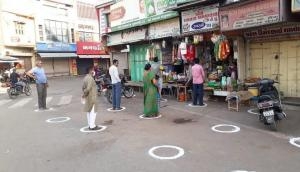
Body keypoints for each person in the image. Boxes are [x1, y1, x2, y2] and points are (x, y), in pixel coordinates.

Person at [82, 66, 100, 130]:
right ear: (90, 71)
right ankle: (92, 126)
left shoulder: (85, 78)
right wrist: (85, 94)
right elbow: (88, 88)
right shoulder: (90, 78)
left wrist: (84, 94)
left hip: (88, 97)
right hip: (92, 96)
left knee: (89, 111)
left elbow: (83, 88)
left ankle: (90, 124)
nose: (93, 71)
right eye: (92, 70)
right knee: (93, 111)